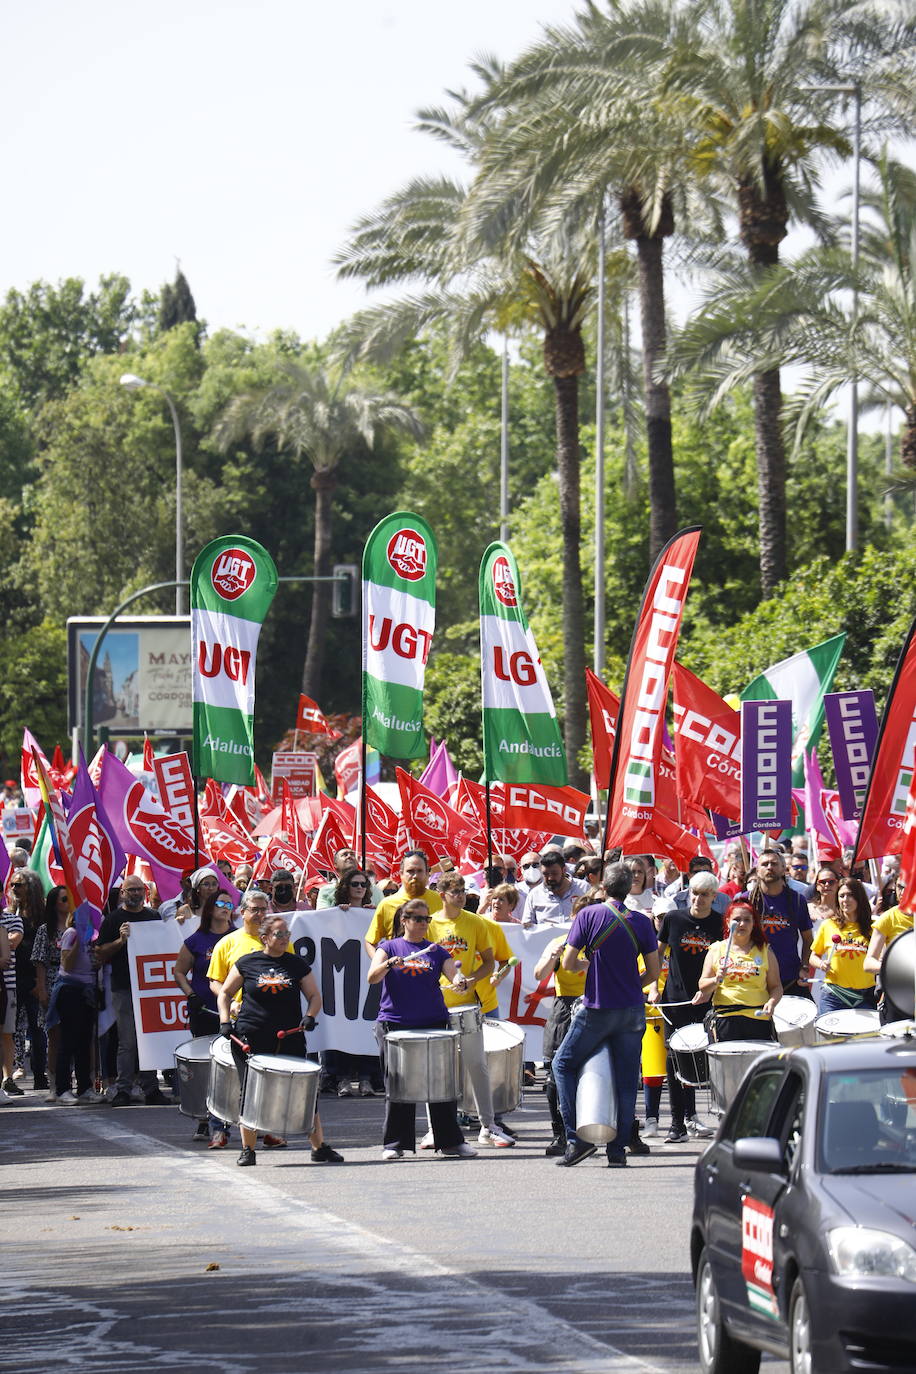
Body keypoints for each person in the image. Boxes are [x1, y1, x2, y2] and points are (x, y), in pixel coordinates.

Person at [551, 862, 660, 1167]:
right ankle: (618, 1151)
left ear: (602, 886)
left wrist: (591, 967)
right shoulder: (641, 921)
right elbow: (652, 972)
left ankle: (577, 1139)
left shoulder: (588, 915)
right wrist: (628, 984)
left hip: (598, 1008)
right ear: (628, 888)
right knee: (627, 1082)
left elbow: (569, 964)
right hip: (631, 1010)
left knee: (563, 1064)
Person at [217, 913, 343, 1168]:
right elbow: (225, 993)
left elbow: (315, 996)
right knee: (249, 1092)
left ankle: (319, 1147)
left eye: (287, 934)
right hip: (250, 1035)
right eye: (280, 934)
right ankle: (248, 1149)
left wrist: (309, 1016)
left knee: (304, 1091)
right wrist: (224, 1020)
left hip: (289, 1036)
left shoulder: (296, 964)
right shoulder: (247, 962)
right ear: (264, 938)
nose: (286, 938)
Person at [367, 898, 477, 1160]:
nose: (422, 924)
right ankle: (395, 1144)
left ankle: (450, 1142)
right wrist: (389, 964)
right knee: (397, 1085)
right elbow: (372, 977)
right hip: (395, 1023)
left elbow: (454, 975)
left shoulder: (436, 950)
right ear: (404, 920)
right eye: (417, 918)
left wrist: (461, 982)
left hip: (432, 1022)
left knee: (441, 1083)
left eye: (426, 919)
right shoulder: (389, 946)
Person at [420, 872, 512, 1148]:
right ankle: (434, 1128)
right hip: (437, 1007)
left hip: (469, 1004)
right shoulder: (430, 924)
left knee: (477, 1066)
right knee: (437, 1070)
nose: (460, 896)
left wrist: (472, 979)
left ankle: (488, 1125)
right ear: (442, 894)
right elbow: (423, 963)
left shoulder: (475, 923)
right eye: (455, 891)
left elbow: (489, 963)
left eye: (462, 891)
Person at [652, 872, 722, 1144]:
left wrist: (710, 991)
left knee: (706, 1059)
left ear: (713, 897)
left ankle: (707, 1116)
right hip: (675, 1000)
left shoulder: (719, 923)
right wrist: (655, 987)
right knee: (674, 1060)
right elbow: (656, 954)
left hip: (706, 1001)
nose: (698, 898)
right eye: (694, 892)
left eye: (704, 894)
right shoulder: (673, 919)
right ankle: (677, 1123)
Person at [95, 876, 169, 1107]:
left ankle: (151, 1089)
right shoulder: (113, 919)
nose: (136, 894)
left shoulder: (153, 917)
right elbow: (100, 953)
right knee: (127, 1041)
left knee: (149, 1040)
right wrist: (120, 940)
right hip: (123, 987)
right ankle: (123, 1089)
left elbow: (164, 946)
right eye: (131, 890)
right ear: (123, 893)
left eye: (139, 889)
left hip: (150, 987)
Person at [173, 889, 237, 1146]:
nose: (225, 907)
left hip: (234, 1010)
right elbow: (178, 971)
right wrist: (190, 995)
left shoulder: (238, 937)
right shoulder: (196, 941)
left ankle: (232, 1119)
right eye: (220, 903)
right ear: (210, 908)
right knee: (207, 1065)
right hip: (205, 1010)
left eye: (230, 903)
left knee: (233, 1063)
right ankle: (204, 1117)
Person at [322, 868, 384, 1098]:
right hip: (341, 979)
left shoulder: (374, 913)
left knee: (366, 1025)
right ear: (345, 887)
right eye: (355, 884)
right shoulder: (335, 913)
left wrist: (373, 914)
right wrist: (337, 914)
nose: (360, 888)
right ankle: (343, 1078)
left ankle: (367, 1078)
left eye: (363, 885)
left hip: (367, 977)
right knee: (343, 1027)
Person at [533, 928, 587, 1156]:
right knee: (555, 1076)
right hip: (565, 1007)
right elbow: (538, 974)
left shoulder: (602, 941)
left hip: (596, 1004)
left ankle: (620, 1132)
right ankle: (561, 1134)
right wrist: (553, 956)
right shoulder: (559, 942)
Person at [694, 901, 781, 1041]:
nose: (742, 924)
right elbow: (702, 986)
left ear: (754, 924)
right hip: (726, 1020)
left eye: (747, 920)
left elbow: (776, 987)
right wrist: (716, 979)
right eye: (737, 920)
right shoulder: (716, 949)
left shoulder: (764, 950)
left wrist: (771, 1003)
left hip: (758, 1019)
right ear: (728, 922)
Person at [45, 911, 105, 1104]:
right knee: (68, 1040)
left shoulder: (95, 935)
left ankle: (85, 1087)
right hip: (71, 990)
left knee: (84, 1041)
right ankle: (63, 1088)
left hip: (87, 990)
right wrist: (80, 939)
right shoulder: (71, 933)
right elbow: (67, 964)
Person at [741, 849, 813, 996]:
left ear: (783, 870)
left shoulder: (797, 900)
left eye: (774, 864)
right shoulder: (745, 900)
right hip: (754, 977)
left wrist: (805, 967)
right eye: (765, 864)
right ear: (757, 870)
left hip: (790, 978)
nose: (769, 867)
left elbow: (807, 939)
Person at [810, 877, 876, 1014]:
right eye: (841, 896)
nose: (845, 899)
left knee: (867, 1036)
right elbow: (813, 956)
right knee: (831, 1036)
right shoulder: (828, 925)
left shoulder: (873, 928)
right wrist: (821, 964)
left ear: (860, 898)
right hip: (833, 995)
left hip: (865, 996)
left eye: (850, 895)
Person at [31, 885, 71, 1100]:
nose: (68, 902)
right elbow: (39, 962)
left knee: (77, 1035)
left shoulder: (81, 927)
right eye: (65, 899)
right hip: (53, 983)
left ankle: (84, 1082)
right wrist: (42, 989)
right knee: (54, 1036)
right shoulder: (45, 930)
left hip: (76, 984)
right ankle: (55, 1085)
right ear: (55, 903)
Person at [364, 851, 444, 954]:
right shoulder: (387, 904)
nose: (415, 876)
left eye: (419, 871)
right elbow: (370, 941)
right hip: (398, 968)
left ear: (427, 873)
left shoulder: (440, 901)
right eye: (410, 871)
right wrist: (382, 964)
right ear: (401, 873)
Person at [10, 869, 47, 1091]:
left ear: (30, 886)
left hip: (35, 978)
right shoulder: (10, 911)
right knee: (12, 1028)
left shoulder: (42, 913)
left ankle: (40, 1073)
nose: (14, 889)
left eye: (19, 885)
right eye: (13, 885)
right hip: (13, 977)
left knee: (37, 1028)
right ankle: (12, 1072)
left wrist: (38, 980)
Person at [864, 873, 913, 1023]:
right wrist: (893, 968)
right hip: (897, 995)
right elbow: (868, 963)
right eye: (900, 887)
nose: (903, 892)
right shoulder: (888, 918)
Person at [1, 874, 26, 1094]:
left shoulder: (12, 919)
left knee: (7, 1032)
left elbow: (13, 942)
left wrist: (6, 942)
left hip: (7, 986)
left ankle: (7, 1077)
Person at [523, 849, 588, 927]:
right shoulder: (534, 895)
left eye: (554, 873)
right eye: (545, 874)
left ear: (564, 870)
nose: (550, 878)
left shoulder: (584, 888)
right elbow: (527, 926)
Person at [316, 849, 384, 908]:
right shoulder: (326, 891)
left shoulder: (375, 890)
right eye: (345, 855)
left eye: (352, 855)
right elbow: (322, 916)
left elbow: (383, 915)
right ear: (335, 864)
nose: (349, 856)